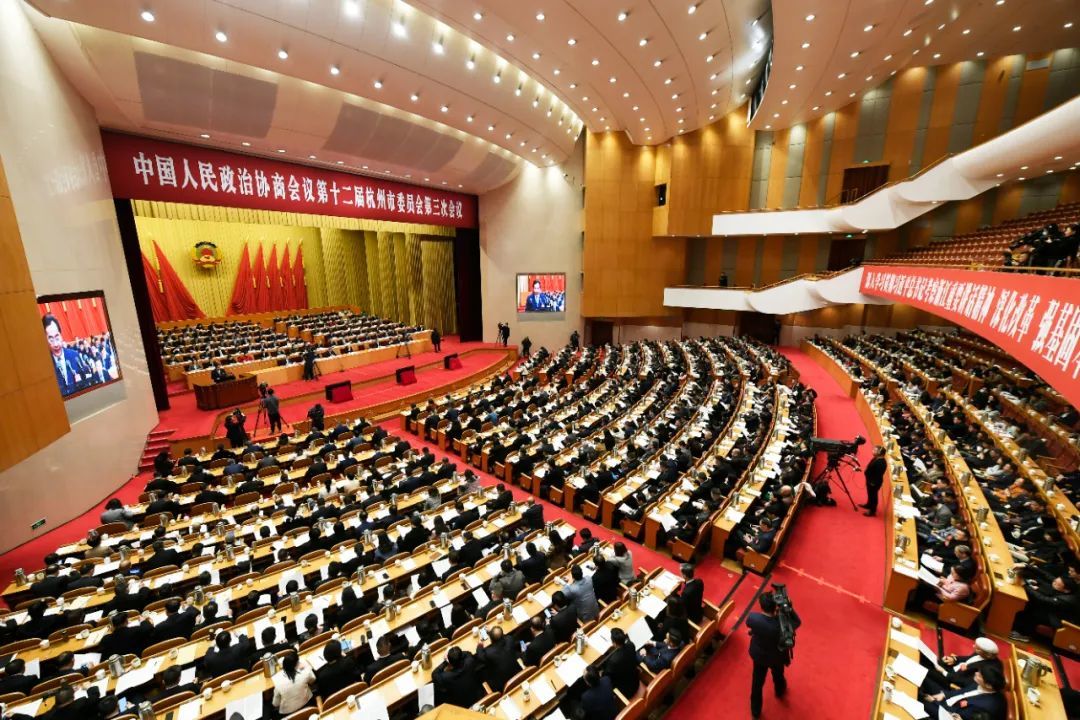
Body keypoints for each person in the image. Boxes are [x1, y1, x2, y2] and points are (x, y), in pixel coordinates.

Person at [747, 592, 800, 719]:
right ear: (775, 606)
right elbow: (797, 622)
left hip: (760, 656)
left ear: (761, 606)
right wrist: (789, 607)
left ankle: (755, 711)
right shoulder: (782, 625)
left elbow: (751, 626)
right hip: (777, 656)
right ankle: (780, 691)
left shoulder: (753, 618)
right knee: (778, 675)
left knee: (757, 683)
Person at [922, 666, 1007, 720]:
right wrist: (944, 694)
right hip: (949, 700)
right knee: (924, 678)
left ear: (988, 685)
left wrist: (934, 702)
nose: (976, 673)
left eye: (979, 675)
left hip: (949, 714)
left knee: (922, 702)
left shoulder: (985, 707)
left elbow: (957, 714)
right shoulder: (982, 684)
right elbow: (962, 691)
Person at [43, 313, 88, 396]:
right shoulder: (44, 365)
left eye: (57, 337)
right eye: (51, 339)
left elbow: (86, 384)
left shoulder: (75, 356)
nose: (56, 344)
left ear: (61, 335)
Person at [271, 651, 317, 716]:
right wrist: (306, 667)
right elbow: (313, 680)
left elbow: (275, 704)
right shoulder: (304, 673)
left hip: (288, 713)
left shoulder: (277, 682)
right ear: (296, 664)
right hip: (307, 703)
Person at [603, 627, 640, 698]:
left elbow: (607, 676)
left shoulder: (613, 661)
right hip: (635, 681)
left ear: (614, 643)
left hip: (625, 691)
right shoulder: (631, 645)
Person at [861, 445, 887, 517]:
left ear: (880, 452)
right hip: (870, 480)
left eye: (875, 450)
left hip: (874, 482)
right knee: (870, 494)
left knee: (873, 496)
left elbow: (878, 474)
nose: (873, 451)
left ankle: (872, 511)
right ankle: (868, 504)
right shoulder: (876, 458)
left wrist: (873, 482)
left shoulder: (881, 463)